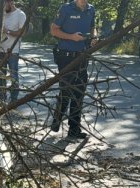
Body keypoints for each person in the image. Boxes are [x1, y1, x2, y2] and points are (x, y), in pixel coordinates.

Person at [49, 0, 97, 139]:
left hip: (82, 55)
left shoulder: (91, 9)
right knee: (66, 89)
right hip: (65, 56)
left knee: (79, 91)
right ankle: (56, 122)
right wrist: (72, 37)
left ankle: (74, 129)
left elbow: (93, 27)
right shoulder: (66, 8)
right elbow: (54, 30)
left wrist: (93, 36)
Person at [0, 0, 26, 103]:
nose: (4, 7)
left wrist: (7, 31)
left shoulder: (20, 14)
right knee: (1, 76)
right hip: (1, 50)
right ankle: (1, 99)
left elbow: (22, 33)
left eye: (5, 4)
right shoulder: (3, 14)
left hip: (13, 50)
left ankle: (13, 100)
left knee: (13, 75)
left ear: (11, 2)